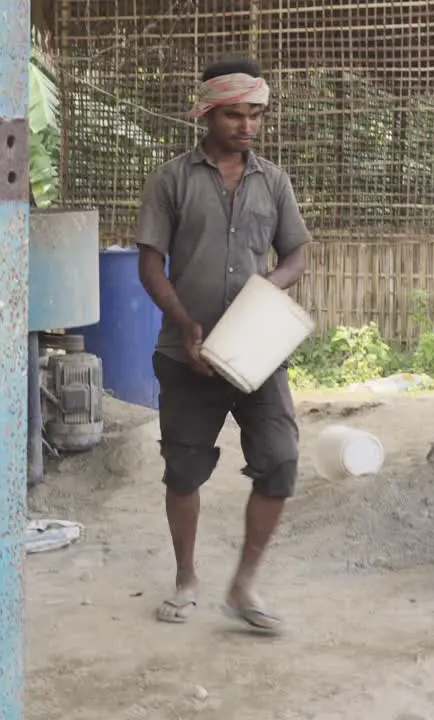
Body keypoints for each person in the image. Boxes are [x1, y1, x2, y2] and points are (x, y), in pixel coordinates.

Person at [134, 57, 311, 633]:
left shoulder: (274, 182)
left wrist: (268, 287)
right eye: (234, 114)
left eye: (256, 115)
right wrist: (184, 322)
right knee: (184, 470)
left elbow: (296, 256)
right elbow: (150, 265)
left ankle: (244, 585)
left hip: (257, 351)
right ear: (207, 112)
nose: (247, 126)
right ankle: (187, 579)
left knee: (280, 463)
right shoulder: (171, 180)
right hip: (186, 353)